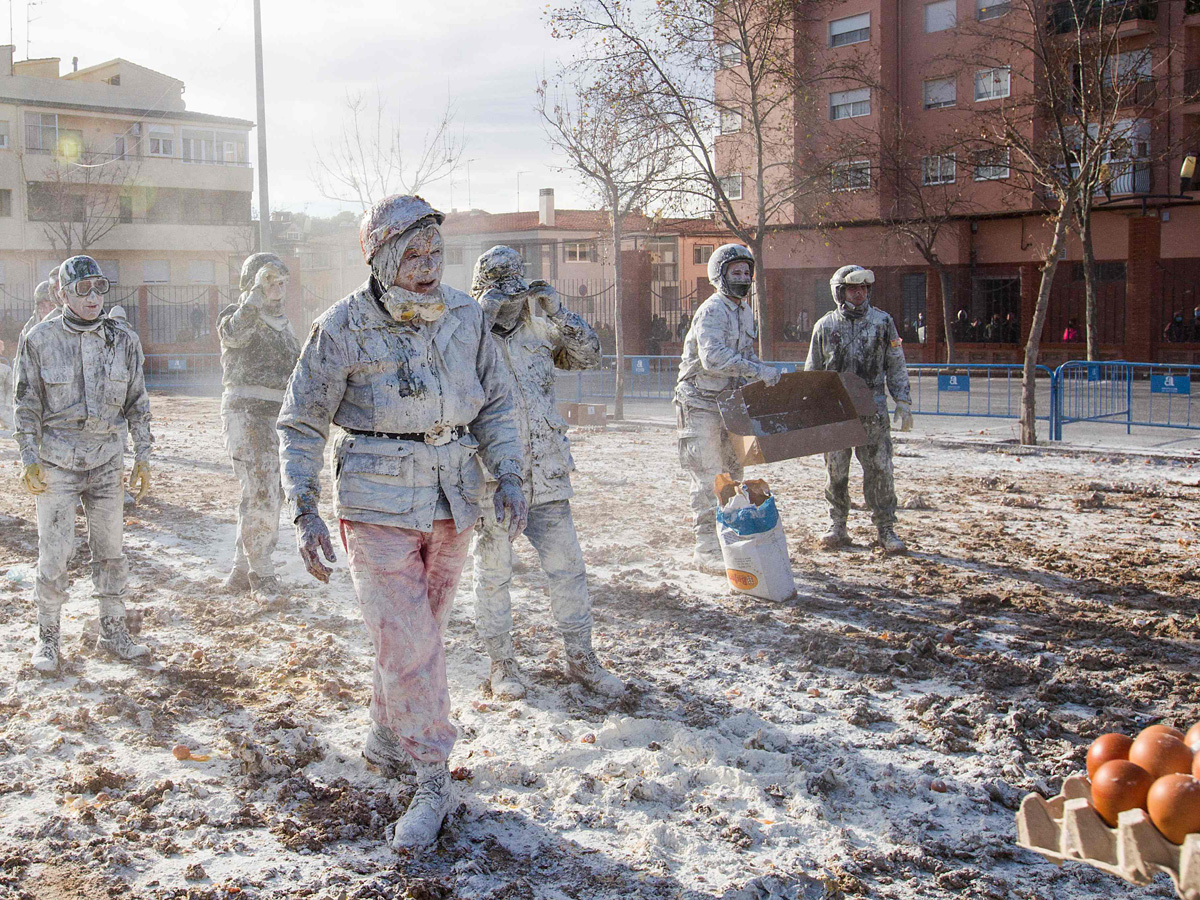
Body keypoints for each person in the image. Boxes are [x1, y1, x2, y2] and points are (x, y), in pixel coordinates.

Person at [277, 195, 528, 851]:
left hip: (453, 498)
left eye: (434, 252)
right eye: (411, 254)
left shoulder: (467, 318)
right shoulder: (341, 327)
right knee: (410, 641)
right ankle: (431, 779)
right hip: (375, 500)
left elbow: (497, 404)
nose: (425, 266)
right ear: (381, 257)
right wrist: (304, 507)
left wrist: (510, 472)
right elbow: (301, 421)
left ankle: (387, 734)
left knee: (423, 634)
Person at [468, 246, 623, 701]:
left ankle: (581, 658)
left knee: (568, 568)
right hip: (492, 476)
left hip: (548, 472)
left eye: (517, 288)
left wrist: (559, 309)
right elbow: (447, 371)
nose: (512, 299)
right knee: (494, 573)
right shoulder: (468, 338)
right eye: (502, 288)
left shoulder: (539, 330)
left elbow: (589, 355)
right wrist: (481, 317)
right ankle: (502, 664)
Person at [13, 255, 152, 674]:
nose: (93, 298)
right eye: (82, 289)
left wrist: (143, 456)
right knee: (55, 553)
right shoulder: (39, 340)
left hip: (108, 461)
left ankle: (113, 630)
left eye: (99, 288)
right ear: (62, 293)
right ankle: (48, 637)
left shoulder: (122, 340)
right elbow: (26, 404)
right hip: (57, 463)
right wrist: (29, 458)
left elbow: (137, 402)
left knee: (111, 551)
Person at [674, 243, 780, 572]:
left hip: (730, 402)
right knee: (709, 477)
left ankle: (729, 539)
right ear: (720, 275)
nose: (743, 278)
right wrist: (756, 371)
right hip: (699, 401)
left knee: (735, 475)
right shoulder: (711, 310)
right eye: (736, 272)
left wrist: (766, 372)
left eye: (747, 272)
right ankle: (705, 549)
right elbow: (714, 358)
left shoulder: (746, 312)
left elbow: (746, 355)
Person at [806, 265, 912, 555]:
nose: (860, 293)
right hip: (836, 411)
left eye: (864, 288)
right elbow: (812, 372)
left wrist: (902, 400)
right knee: (836, 471)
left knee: (879, 469)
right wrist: (811, 411)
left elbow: (895, 362)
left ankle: (885, 528)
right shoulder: (825, 327)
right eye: (853, 288)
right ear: (840, 292)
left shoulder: (883, 323)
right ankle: (837, 525)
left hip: (873, 411)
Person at [217, 253, 301, 598]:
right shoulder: (238, 315)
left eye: (281, 282)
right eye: (269, 281)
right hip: (246, 413)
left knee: (264, 492)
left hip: (277, 416)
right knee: (263, 488)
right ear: (252, 282)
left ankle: (241, 568)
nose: (277, 289)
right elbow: (234, 335)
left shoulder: (285, 325)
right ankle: (262, 573)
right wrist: (254, 295)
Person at [19, 280, 60, 348]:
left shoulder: (67, 326)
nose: (46, 310)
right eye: (42, 306)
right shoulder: (29, 328)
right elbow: (21, 354)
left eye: (51, 305)